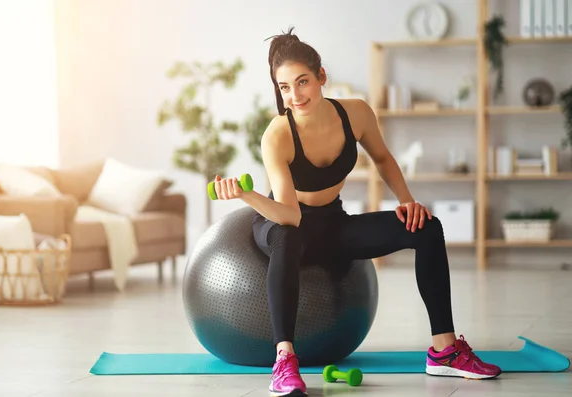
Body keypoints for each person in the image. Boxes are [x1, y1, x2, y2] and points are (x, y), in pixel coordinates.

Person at [212, 27, 501, 397]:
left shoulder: (356, 114)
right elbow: (289, 214)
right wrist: (247, 194)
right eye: (285, 87)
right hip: (281, 223)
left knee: (427, 227)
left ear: (321, 77)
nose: (295, 95)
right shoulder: (277, 135)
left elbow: (382, 157)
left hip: (332, 224)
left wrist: (406, 201)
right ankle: (284, 360)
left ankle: (444, 351)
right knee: (288, 235)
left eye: (302, 82)